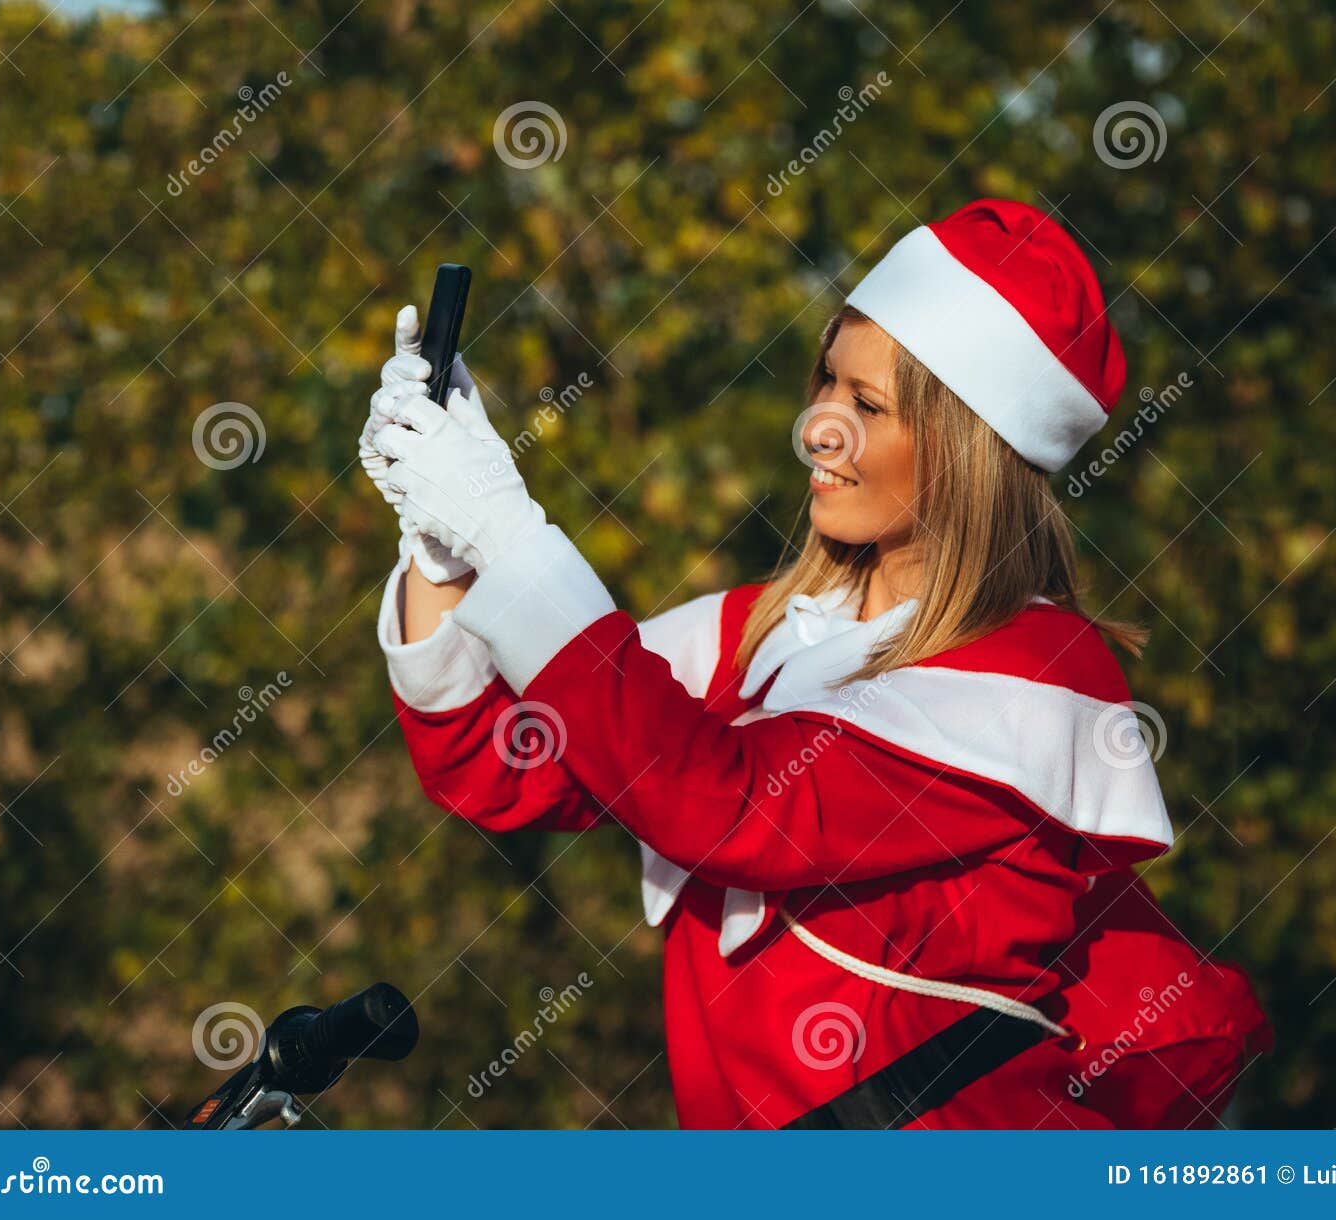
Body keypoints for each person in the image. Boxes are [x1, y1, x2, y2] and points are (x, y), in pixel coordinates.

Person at [359, 199, 1270, 1129]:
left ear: (968, 454)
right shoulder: (761, 632)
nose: (818, 429)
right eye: (826, 382)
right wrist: (447, 550)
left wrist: (513, 537)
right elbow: (498, 765)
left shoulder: (1037, 669)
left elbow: (722, 808)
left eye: (867, 405)